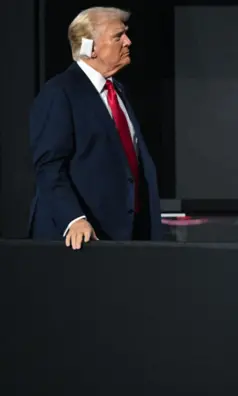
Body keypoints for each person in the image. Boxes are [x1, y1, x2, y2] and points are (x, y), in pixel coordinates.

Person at [29, 7, 162, 250]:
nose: (128, 41)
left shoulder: (119, 92)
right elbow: (49, 167)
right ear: (90, 47)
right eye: (118, 36)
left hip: (123, 238)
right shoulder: (59, 92)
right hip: (80, 243)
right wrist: (74, 219)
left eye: (126, 34)